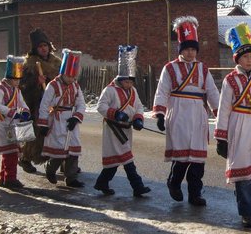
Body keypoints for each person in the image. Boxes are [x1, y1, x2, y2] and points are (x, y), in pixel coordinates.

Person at [152, 16, 220, 206]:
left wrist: (220, 112)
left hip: (198, 114)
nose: (190, 53)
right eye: (187, 49)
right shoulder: (170, 68)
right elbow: (163, 91)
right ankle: (174, 183)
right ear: (180, 49)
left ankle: (195, 194)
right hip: (179, 112)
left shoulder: (202, 69)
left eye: (193, 49)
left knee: (198, 160)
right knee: (182, 158)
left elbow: (212, 92)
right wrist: (159, 113)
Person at [215, 22, 251, 228]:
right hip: (237, 125)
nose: (249, 60)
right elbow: (224, 108)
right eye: (245, 57)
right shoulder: (230, 80)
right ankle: (246, 213)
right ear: (238, 58)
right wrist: (221, 137)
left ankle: (244, 194)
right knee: (243, 170)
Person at [94, 45, 151, 197]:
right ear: (121, 79)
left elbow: (138, 106)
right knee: (126, 159)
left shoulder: (133, 91)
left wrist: (138, 119)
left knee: (118, 159)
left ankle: (102, 183)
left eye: (132, 82)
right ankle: (137, 187)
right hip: (113, 130)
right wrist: (115, 114)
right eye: (127, 82)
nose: (130, 85)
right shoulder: (110, 90)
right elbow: (100, 106)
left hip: (126, 129)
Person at [37, 48, 86, 188]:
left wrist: (76, 118)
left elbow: (81, 104)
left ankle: (71, 178)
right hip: (57, 119)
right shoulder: (53, 85)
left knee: (73, 150)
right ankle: (50, 169)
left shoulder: (75, 86)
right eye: (69, 76)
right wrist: (44, 124)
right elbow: (44, 105)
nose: (71, 79)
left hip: (71, 119)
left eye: (73, 76)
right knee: (59, 151)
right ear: (63, 73)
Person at [19, 28, 62, 174]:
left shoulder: (57, 63)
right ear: (35, 49)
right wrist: (35, 82)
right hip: (35, 103)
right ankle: (25, 158)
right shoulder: (29, 65)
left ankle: (61, 159)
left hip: (54, 103)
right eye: (40, 46)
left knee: (58, 131)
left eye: (45, 45)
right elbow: (22, 86)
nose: (43, 49)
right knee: (35, 135)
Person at [0, 55, 31, 189]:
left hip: (13, 123)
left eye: (19, 79)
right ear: (9, 77)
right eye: (16, 79)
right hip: (4, 124)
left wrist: (25, 112)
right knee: (10, 153)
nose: (18, 82)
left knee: (11, 152)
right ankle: (10, 178)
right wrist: (13, 112)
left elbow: (22, 103)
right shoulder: (0, 89)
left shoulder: (16, 90)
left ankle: (4, 178)